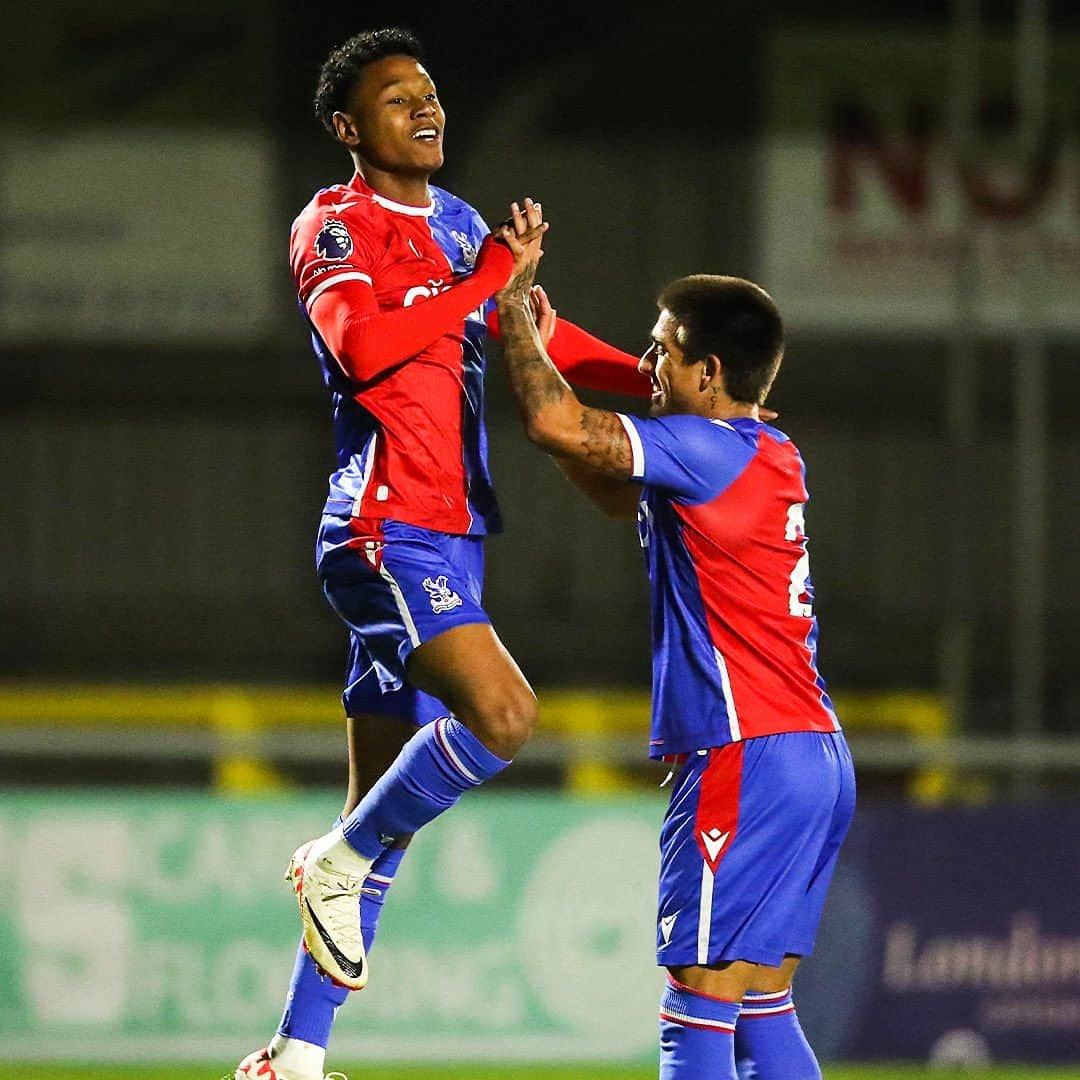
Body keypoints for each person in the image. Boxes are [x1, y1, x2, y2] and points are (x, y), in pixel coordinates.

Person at [235, 27, 648, 1080]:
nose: (426, 107)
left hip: (452, 539)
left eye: (430, 92)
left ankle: (296, 1054)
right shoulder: (335, 226)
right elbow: (364, 345)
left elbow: (535, 335)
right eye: (395, 97)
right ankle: (332, 865)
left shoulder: (464, 227)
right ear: (346, 128)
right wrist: (490, 282)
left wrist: (663, 389)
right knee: (503, 717)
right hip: (381, 530)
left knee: (377, 825)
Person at [493, 212, 856, 1080]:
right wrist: (553, 341)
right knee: (762, 1003)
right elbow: (618, 482)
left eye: (663, 351)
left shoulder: (699, 448)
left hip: (744, 754)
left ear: (711, 371)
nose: (648, 364)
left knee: (697, 1003)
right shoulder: (767, 449)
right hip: (813, 754)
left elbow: (558, 425)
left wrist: (510, 312)